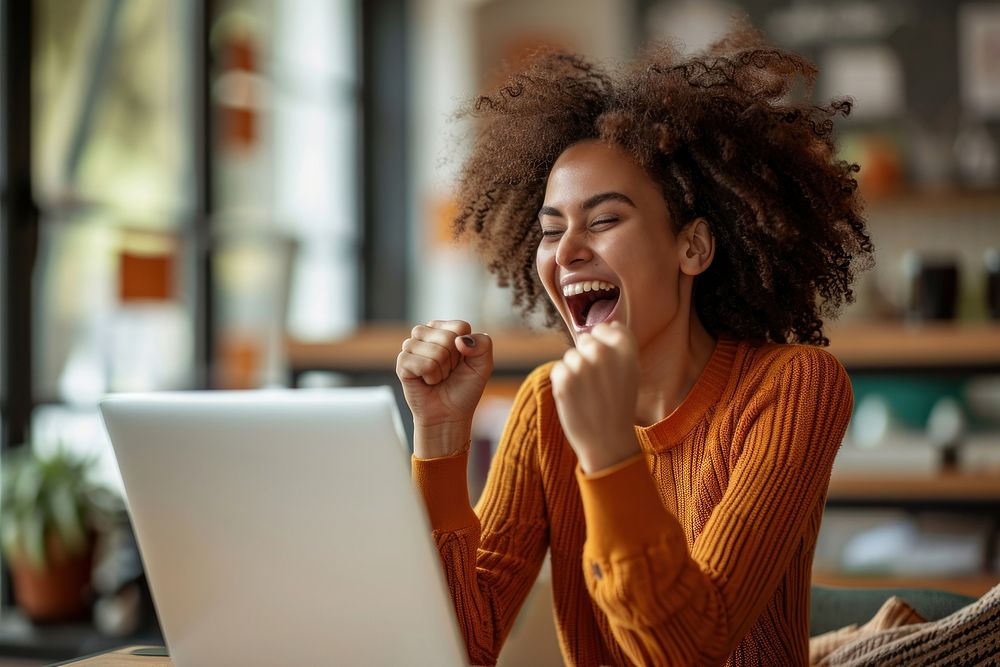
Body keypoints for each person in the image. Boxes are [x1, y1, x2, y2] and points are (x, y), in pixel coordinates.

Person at [396, 22, 874, 667]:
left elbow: (690, 650)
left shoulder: (792, 386)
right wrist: (440, 436)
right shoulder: (545, 407)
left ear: (694, 246)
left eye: (605, 220)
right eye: (551, 229)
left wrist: (609, 454)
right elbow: (458, 645)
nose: (567, 251)